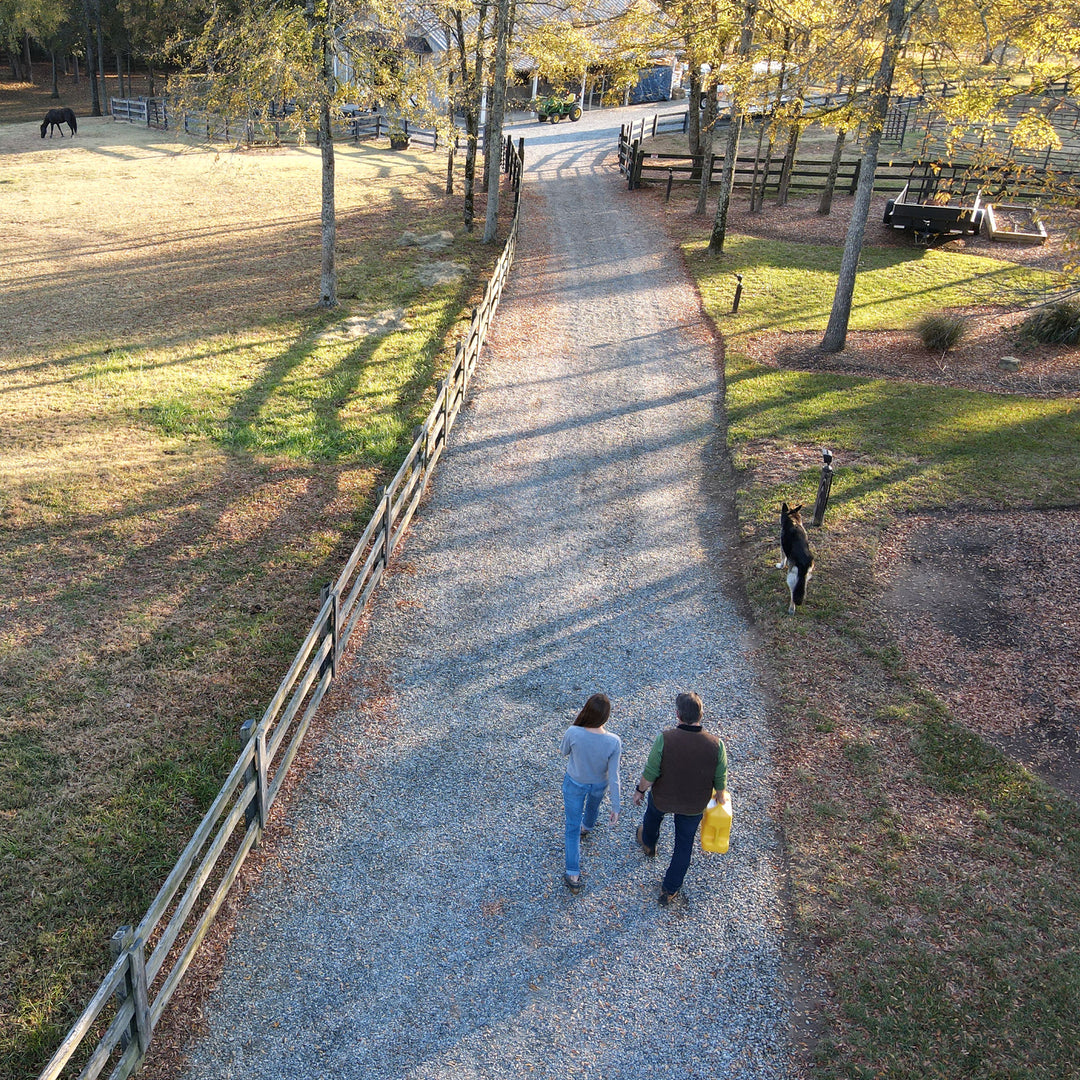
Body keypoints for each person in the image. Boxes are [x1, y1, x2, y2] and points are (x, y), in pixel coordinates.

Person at [631, 691, 727, 906]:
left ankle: (649, 843)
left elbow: (651, 772)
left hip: (664, 797)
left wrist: (640, 790)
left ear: (678, 715)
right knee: (684, 844)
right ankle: (670, 889)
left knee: (653, 814)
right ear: (701, 715)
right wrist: (720, 798)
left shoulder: (665, 739)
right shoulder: (716, 745)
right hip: (694, 805)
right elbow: (720, 780)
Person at [559, 693, 621, 893]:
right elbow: (614, 775)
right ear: (606, 717)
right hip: (598, 784)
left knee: (571, 827)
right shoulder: (614, 741)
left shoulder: (573, 732)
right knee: (593, 806)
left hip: (575, 782)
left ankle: (573, 872)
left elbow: (563, 752)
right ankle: (588, 826)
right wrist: (616, 807)